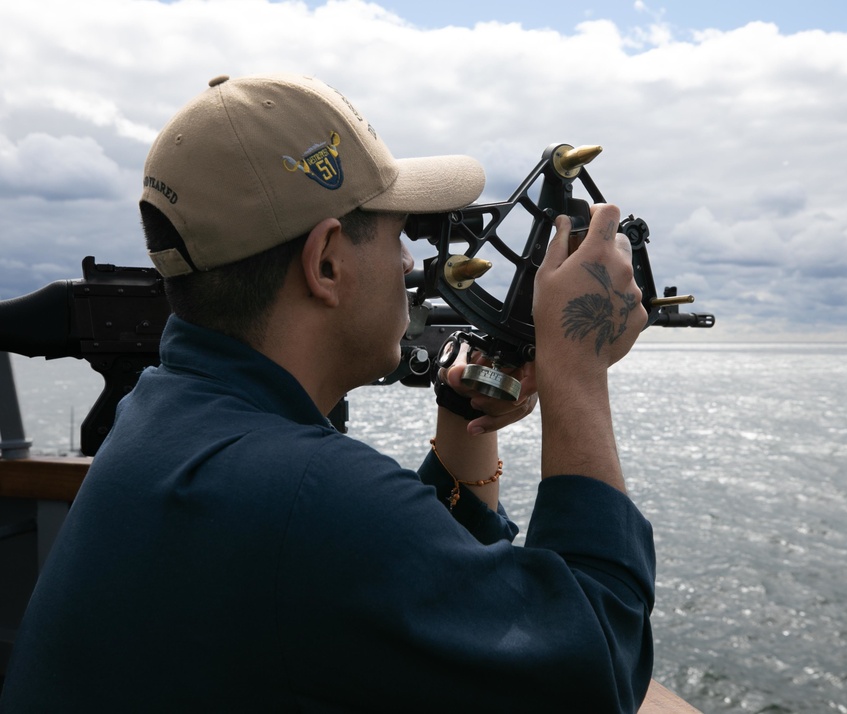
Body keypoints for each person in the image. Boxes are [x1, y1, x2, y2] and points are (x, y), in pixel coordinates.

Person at [0, 73, 654, 713]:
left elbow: (421, 584)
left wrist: (460, 418)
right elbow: (596, 670)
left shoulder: (166, 421)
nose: (407, 265)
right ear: (327, 263)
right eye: (397, 235)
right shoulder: (304, 495)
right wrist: (577, 372)